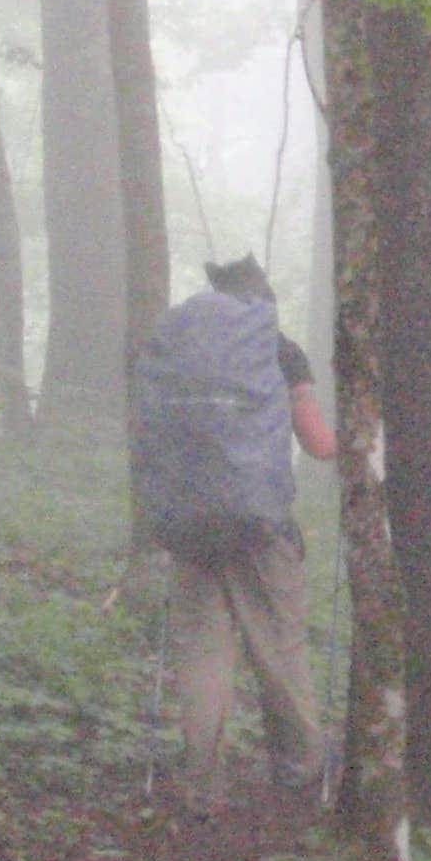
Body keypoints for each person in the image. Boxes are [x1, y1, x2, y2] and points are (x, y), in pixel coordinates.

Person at [129, 258, 339, 807]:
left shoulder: (179, 351)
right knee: (280, 646)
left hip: (188, 526)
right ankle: (301, 765)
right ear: (261, 298)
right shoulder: (280, 349)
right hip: (260, 528)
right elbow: (318, 443)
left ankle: (201, 783)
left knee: (203, 654)